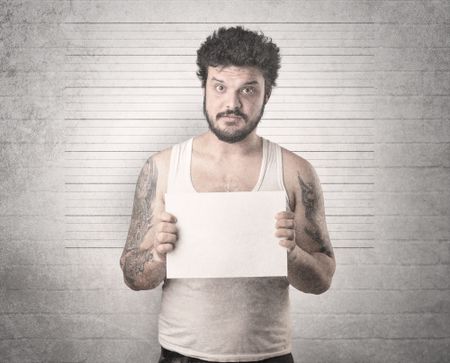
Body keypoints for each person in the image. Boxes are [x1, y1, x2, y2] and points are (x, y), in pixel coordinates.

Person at [120, 26, 335, 363]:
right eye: (220, 87)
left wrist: (291, 254)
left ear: (267, 94)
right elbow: (132, 275)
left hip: (270, 357)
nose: (232, 103)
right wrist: (160, 255)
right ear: (204, 88)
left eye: (248, 89)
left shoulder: (295, 172)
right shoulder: (162, 167)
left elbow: (322, 279)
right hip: (181, 356)